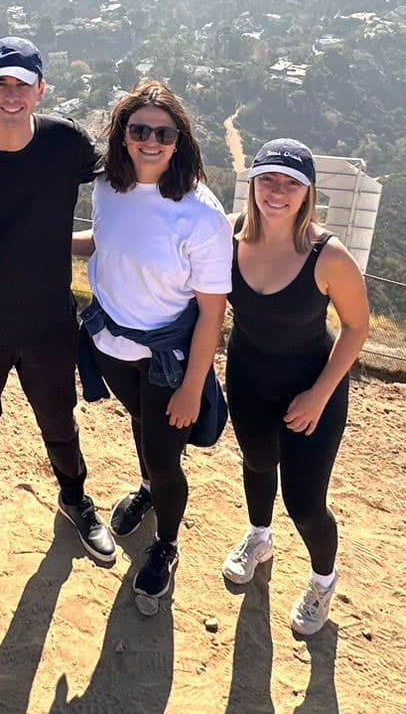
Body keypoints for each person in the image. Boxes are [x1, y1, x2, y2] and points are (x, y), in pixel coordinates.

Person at [0, 37, 116, 568]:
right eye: (0, 84)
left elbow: (129, 181)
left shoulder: (67, 143)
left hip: (49, 321)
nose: (11, 94)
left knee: (58, 418)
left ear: (41, 89)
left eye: (22, 84)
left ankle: (75, 498)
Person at [72, 79, 232, 614]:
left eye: (163, 132)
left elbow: (213, 311)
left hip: (169, 359)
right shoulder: (106, 187)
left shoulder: (201, 214)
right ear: (121, 135)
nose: (150, 140)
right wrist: (38, 238)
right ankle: (145, 488)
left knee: (167, 460)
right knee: (140, 426)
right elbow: (107, 241)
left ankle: (166, 544)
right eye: (138, 129)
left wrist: (192, 388)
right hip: (113, 345)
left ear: (179, 140)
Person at [219, 138, 369, 638]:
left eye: (291, 183)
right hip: (247, 375)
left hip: (312, 387)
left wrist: (321, 394)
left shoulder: (329, 256)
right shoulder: (229, 236)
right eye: (268, 180)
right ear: (253, 184)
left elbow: (355, 327)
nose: (277, 192)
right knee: (257, 463)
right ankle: (259, 538)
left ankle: (323, 581)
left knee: (305, 503)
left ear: (308, 193)